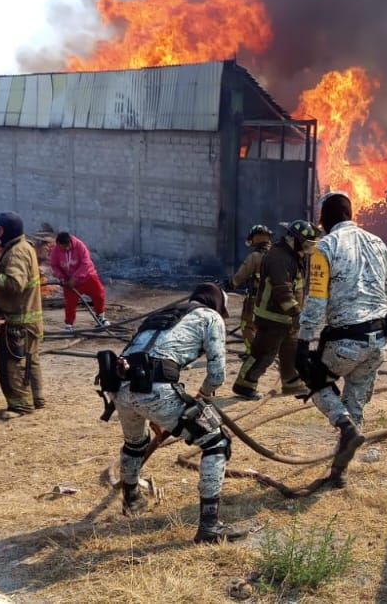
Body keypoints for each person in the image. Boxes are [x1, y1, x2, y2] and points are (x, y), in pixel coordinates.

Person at [108, 282, 246, 544]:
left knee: (135, 444)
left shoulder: (162, 315)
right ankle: (209, 527)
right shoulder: (210, 317)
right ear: (217, 303)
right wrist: (204, 394)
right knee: (217, 442)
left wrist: (158, 411)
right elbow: (217, 375)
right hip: (154, 388)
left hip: (119, 387)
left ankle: (132, 499)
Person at [296, 192, 387, 488]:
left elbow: (315, 301)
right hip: (379, 341)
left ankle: (343, 424)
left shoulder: (324, 247)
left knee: (313, 381)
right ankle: (339, 473)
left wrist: (303, 344)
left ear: (325, 220)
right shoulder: (378, 243)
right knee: (356, 401)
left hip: (345, 341)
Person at [230, 220, 319, 400]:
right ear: (294, 239)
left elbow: (297, 287)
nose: (308, 249)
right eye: (306, 244)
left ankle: (291, 382)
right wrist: (296, 312)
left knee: (290, 350)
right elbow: (282, 289)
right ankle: (244, 384)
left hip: (287, 318)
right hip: (272, 317)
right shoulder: (279, 257)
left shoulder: (293, 255)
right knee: (264, 353)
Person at [0, 212, 44, 417]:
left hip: (19, 321)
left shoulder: (16, 253)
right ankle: (37, 399)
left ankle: (21, 405)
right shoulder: (26, 247)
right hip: (30, 319)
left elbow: (14, 284)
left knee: (12, 363)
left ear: (7, 230)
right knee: (30, 360)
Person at [49, 231, 111, 332]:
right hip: (69, 281)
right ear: (59, 244)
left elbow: (86, 263)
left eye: (67, 246)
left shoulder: (80, 246)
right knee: (70, 303)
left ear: (70, 241)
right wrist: (61, 277)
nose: (66, 248)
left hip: (87, 276)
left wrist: (75, 277)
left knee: (99, 294)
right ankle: (69, 324)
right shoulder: (55, 251)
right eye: (63, 247)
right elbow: (54, 265)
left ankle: (100, 318)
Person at [225, 224, 273, 353]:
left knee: (247, 325)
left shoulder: (254, 257)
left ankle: (253, 353)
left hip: (256, 299)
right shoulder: (277, 255)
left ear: (256, 238)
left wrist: (231, 283)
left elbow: (241, 275)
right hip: (274, 300)